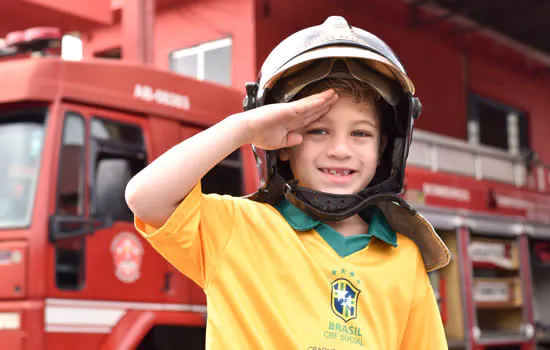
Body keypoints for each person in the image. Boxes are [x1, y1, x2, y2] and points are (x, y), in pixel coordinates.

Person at [125, 15, 451, 349]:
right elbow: (145, 198)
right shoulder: (237, 229)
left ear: (385, 148)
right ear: (281, 147)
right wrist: (245, 129)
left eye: (360, 133)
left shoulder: (405, 258)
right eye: (318, 130)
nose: (340, 150)